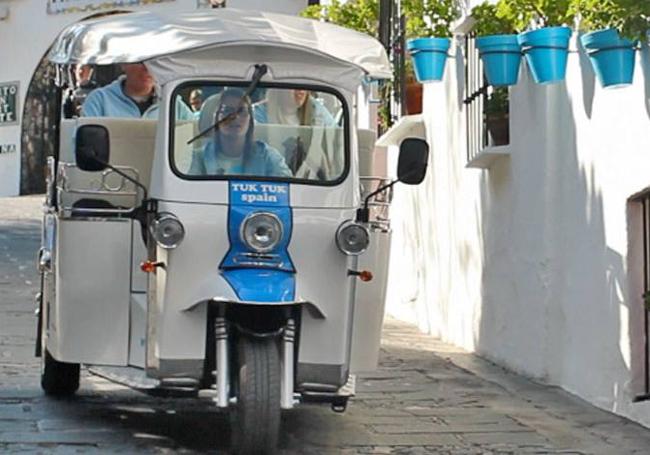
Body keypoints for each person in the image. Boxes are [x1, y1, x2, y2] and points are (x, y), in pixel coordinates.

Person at [189, 88, 292, 178]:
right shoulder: (199, 158)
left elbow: (286, 191)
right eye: (227, 111)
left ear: (250, 120)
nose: (235, 117)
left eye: (241, 111)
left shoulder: (268, 156)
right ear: (216, 119)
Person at [81, 63, 193, 120]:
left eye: (153, 62)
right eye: (141, 62)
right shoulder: (99, 101)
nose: (147, 68)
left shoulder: (174, 105)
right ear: (124, 64)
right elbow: (82, 146)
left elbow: (196, 147)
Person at [254, 89, 335, 127]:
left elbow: (337, 140)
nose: (301, 90)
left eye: (305, 84)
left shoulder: (316, 110)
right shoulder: (261, 114)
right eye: (295, 84)